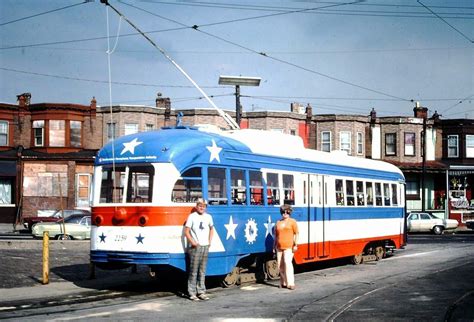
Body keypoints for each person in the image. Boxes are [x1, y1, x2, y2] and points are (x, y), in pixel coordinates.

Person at [184, 198, 214, 301]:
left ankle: (201, 292)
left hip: (205, 246)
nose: (202, 207)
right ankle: (191, 292)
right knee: (193, 271)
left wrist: (209, 241)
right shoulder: (192, 217)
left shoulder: (208, 217)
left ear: (205, 207)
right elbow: (186, 231)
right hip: (195, 247)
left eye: (203, 206)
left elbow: (211, 229)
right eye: (200, 205)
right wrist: (193, 242)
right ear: (197, 206)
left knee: (202, 270)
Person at [274, 204, 299, 290]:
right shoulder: (278, 223)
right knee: (280, 266)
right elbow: (276, 236)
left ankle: (291, 283)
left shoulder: (293, 222)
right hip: (279, 247)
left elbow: (296, 233)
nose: (285, 214)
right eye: (283, 212)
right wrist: (274, 246)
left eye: (287, 212)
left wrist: (295, 244)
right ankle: (283, 282)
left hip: (289, 246)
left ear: (289, 212)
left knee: (287, 263)